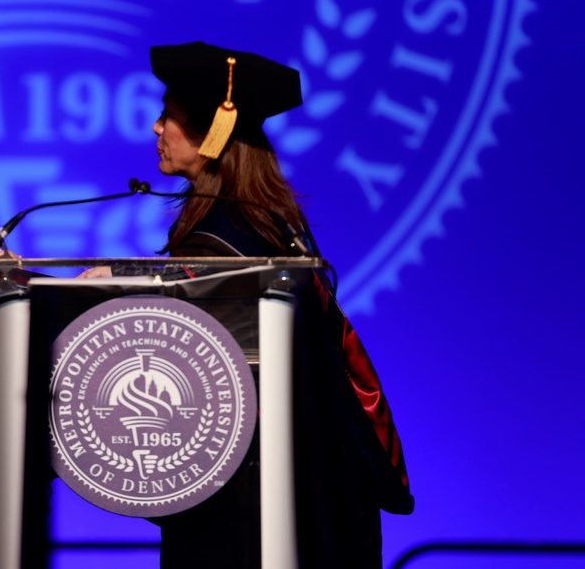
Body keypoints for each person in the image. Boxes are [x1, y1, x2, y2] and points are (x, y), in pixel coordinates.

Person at [87, 42, 413, 567]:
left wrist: (119, 282)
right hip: (313, 481)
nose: (155, 128)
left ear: (211, 134)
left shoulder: (224, 235)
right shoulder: (268, 225)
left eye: (168, 115)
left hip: (252, 504)